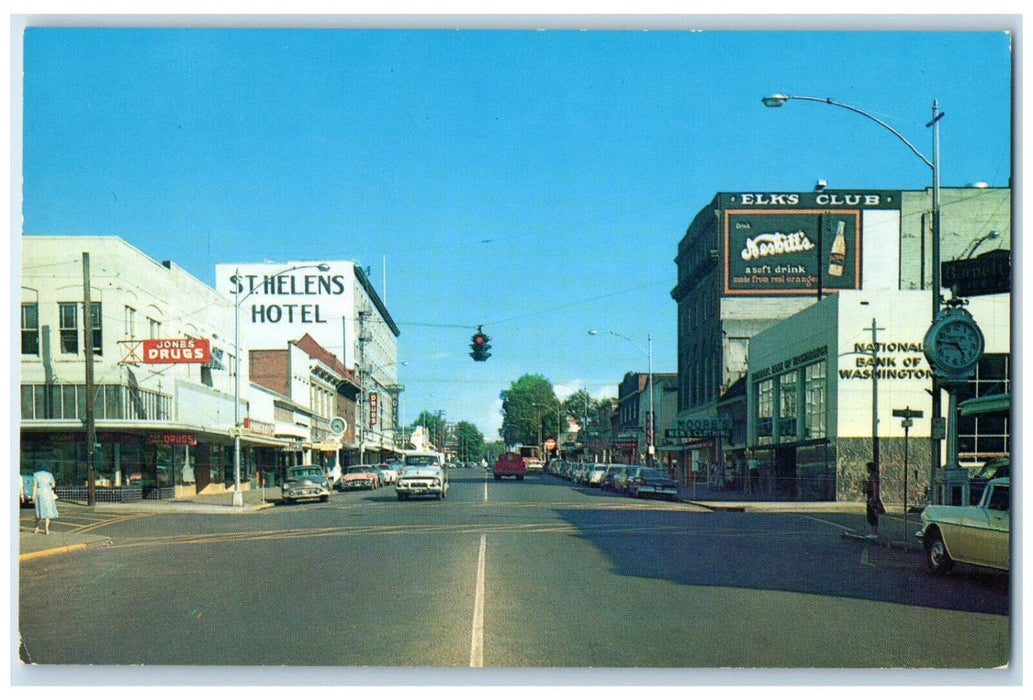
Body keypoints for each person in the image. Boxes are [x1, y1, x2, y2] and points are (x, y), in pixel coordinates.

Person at [32, 462, 59, 535]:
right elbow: (53, 485)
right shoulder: (49, 474)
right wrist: (47, 487)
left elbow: (35, 486)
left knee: (39, 510)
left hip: (39, 492)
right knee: (48, 510)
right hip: (47, 493)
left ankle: (36, 527)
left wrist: (33, 496)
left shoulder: (36, 475)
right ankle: (46, 529)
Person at [862, 461, 884, 540]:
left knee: (873, 514)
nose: (866, 469)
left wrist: (874, 499)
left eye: (867, 468)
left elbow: (874, 489)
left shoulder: (873, 478)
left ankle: (874, 532)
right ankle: (872, 531)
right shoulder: (870, 477)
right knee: (870, 514)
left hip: (872, 497)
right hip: (870, 497)